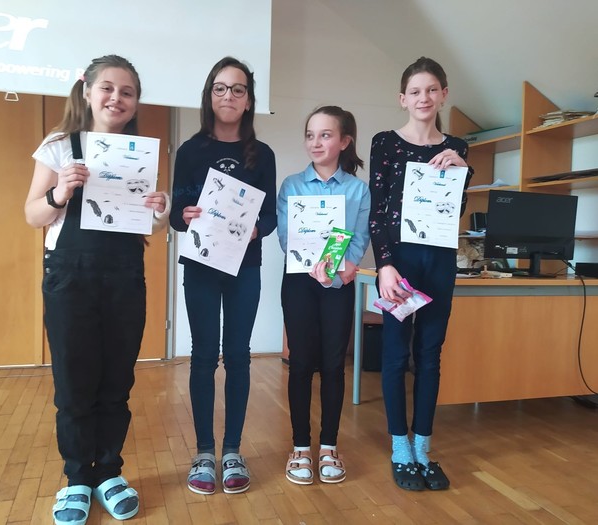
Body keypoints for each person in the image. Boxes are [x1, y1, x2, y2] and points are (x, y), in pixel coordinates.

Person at [24, 55, 169, 525]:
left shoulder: (138, 152)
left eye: (127, 92)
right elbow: (32, 214)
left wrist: (160, 208)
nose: (116, 98)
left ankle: (108, 472)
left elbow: (145, 224)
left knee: (117, 382)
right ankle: (76, 480)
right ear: (87, 90)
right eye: (108, 88)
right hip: (70, 276)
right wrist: (59, 193)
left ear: (136, 102)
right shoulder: (59, 145)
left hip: (124, 275)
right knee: (73, 384)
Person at [170, 56, 277, 495]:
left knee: (238, 356)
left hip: (243, 267)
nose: (228, 96)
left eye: (237, 89)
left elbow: (270, 216)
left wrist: (256, 229)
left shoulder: (262, 154)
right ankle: (203, 452)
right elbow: (175, 215)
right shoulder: (190, 151)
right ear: (209, 95)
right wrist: (184, 214)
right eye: (220, 88)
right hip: (201, 266)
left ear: (248, 99)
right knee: (202, 357)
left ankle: (232, 450)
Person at [368, 57, 473, 491]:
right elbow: (378, 210)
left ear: (443, 94)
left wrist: (462, 172)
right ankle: (400, 447)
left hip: (440, 261)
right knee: (395, 355)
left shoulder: (458, 147)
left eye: (431, 90)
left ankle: (423, 448)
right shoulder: (385, 143)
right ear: (403, 99)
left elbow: (455, 210)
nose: (423, 98)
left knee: (430, 355)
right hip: (400, 263)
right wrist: (385, 265)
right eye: (415, 91)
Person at [277, 106, 371, 485]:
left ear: (344, 141)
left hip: (337, 287)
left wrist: (346, 264)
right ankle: (301, 447)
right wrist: (315, 260)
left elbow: (359, 238)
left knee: (333, 365)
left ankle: (329, 445)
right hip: (299, 282)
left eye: (325, 135)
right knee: (300, 364)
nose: (316, 142)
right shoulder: (291, 186)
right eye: (310, 135)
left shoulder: (357, 189)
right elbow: (287, 237)